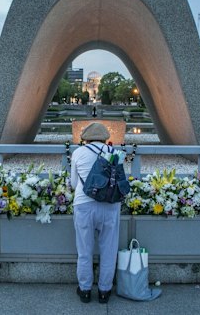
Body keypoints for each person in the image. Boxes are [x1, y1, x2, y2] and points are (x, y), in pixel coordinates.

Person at [70, 122, 120, 304]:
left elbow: (74, 184)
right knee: (109, 250)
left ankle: (84, 290)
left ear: (86, 138)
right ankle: (104, 292)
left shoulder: (77, 153)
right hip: (110, 205)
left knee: (84, 251)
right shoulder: (114, 153)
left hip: (84, 205)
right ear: (105, 137)